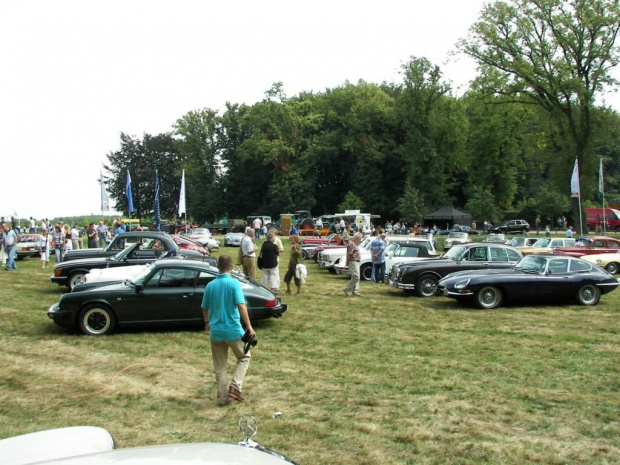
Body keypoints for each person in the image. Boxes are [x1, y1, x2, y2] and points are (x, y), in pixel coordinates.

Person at [201, 254, 255, 406]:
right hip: (233, 330)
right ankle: (235, 387)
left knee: (220, 366)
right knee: (244, 357)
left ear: (218, 267)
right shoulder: (234, 284)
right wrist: (249, 327)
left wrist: (207, 323)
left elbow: (204, 307)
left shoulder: (210, 285)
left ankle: (223, 398)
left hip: (216, 332)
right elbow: (241, 305)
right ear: (231, 268)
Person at [343, 232, 363, 297]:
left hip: (356, 261)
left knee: (356, 277)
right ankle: (347, 289)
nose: (360, 240)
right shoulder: (351, 244)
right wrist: (347, 262)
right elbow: (349, 254)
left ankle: (355, 291)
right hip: (353, 261)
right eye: (360, 239)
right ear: (356, 238)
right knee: (356, 277)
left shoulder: (353, 243)